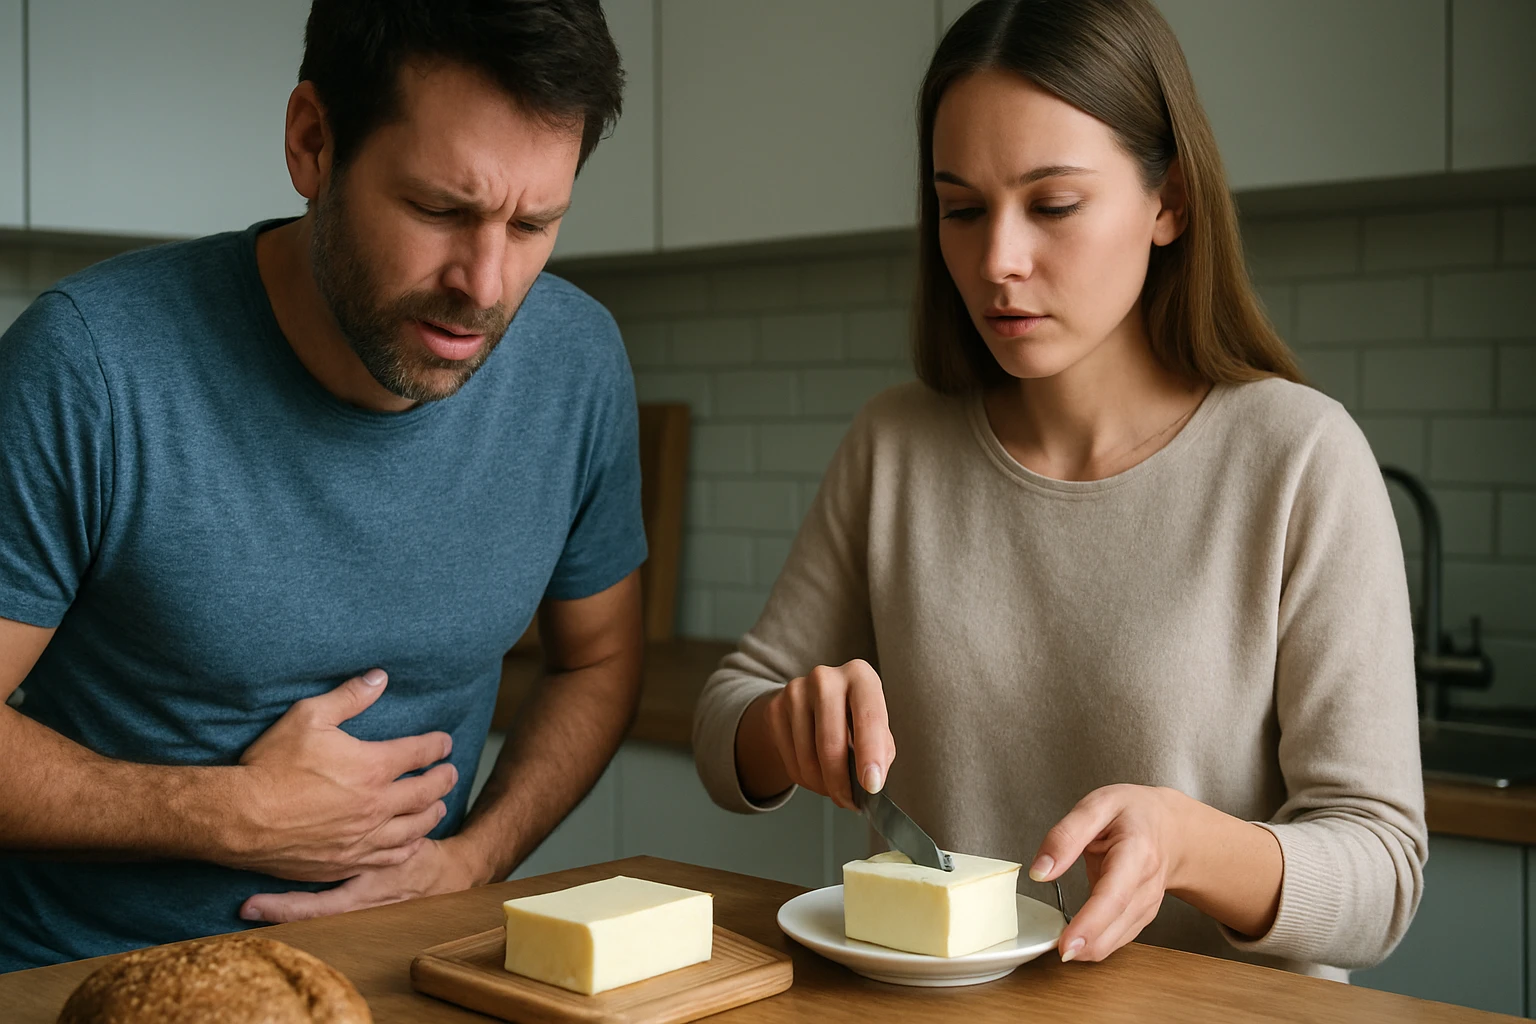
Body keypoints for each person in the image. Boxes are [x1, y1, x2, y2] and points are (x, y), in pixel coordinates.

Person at [693, 0, 1424, 981]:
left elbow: (1382, 870)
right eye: (961, 208)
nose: (997, 260)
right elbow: (722, 721)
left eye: (1053, 204)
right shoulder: (895, 444)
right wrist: (779, 728)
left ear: (1171, 204)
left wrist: (1188, 843)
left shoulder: (1299, 457)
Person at [0, 0, 645, 971]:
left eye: (533, 223)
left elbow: (598, 663)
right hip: (86, 980)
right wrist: (229, 813)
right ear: (312, 142)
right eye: (440, 209)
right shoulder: (91, 363)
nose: (485, 282)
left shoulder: (579, 364)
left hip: (417, 974)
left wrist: (476, 858)